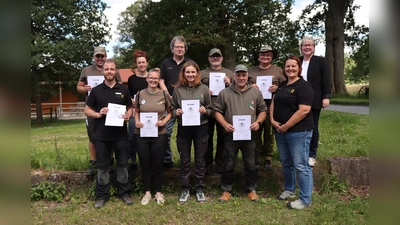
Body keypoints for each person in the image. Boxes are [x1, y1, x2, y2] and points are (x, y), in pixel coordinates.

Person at [214, 64, 267, 203]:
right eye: (238, 75)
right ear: (234, 76)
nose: (241, 78)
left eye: (244, 75)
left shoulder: (255, 92)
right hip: (231, 134)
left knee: (251, 162)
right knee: (228, 162)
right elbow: (217, 111)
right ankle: (226, 190)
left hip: (249, 135)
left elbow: (263, 110)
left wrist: (258, 122)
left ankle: (251, 189)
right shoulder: (224, 93)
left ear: (247, 76)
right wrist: (225, 124)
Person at [84, 59, 133, 208]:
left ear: (116, 71)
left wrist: (128, 115)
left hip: (120, 136)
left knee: (123, 165)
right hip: (102, 136)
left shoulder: (124, 90)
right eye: (107, 69)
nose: (109, 72)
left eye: (112, 69)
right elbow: (87, 110)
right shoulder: (96, 90)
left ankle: (124, 193)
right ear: (103, 71)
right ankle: (102, 195)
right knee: (102, 167)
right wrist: (98, 114)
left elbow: (130, 107)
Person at [270, 55, 314, 210]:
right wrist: (272, 121)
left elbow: (304, 110)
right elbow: (274, 102)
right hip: (280, 131)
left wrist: (286, 126)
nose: (290, 69)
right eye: (287, 66)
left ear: (299, 68)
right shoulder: (282, 85)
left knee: (301, 165)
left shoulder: (304, 86)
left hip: (298, 132)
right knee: (286, 163)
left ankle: (305, 199)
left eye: (293, 66)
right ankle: (289, 190)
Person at [77, 46, 122, 176]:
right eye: (98, 56)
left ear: (105, 57)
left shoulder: (114, 70)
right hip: (93, 108)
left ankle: (110, 162)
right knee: (93, 137)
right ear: (94, 57)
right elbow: (79, 87)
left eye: (102, 56)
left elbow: (119, 86)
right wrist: (85, 88)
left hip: (112, 108)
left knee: (112, 135)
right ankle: (93, 163)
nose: (100, 58)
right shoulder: (86, 70)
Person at [171, 61, 212, 204]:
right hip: (184, 127)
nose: (190, 74)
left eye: (193, 72)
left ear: (197, 73)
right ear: (183, 74)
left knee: (200, 159)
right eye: (187, 72)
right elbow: (172, 108)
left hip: (201, 127)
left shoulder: (204, 89)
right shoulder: (177, 90)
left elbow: (210, 109)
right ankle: (185, 189)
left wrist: (205, 110)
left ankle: (200, 188)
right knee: (185, 159)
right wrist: (176, 112)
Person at [134, 68, 172, 205]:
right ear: (147, 79)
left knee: (158, 165)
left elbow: (170, 112)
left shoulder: (164, 94)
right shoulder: (140, 94)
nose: (153, 80)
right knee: (145, 165)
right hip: (142, 134)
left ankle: (159, 193)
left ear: (158, 80)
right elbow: (136, 111)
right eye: (151, 78)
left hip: (159, 134)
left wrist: (164, 121)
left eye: (156, 78)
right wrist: (137, 121)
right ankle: (147, 193)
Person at [248, 45, 286, 170]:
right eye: (262, 54)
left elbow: (287, 87)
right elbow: (242, 85)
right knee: (256, 132)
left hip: (272, 107)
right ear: (258, 57)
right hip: (254, 108)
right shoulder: (251, 71)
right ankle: (257, 156)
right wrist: (250, 86)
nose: (265, 57)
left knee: (269, 133)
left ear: (272, 57)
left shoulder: (278, 71)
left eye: (268, 55)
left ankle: (268, 157)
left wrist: (277, 88)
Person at [159, 36, 193, 169]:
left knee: (187, 135)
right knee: (165, 132)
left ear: (185, 49)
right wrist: (168, 94)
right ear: (172, 49)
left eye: (182, 47)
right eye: (177, 47)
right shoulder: (165, 63)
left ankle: (187, 162)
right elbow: (161, 81)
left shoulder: (190, 62)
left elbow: (194, 80)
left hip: (187, 104)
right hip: (170, 104)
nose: (179, 49)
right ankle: (167, 159)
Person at [299, 36, 331, 167]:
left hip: (315, 99)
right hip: (298, 99)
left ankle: (311, 155)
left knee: (313, 127)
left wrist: (326, 96)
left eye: (309, 45)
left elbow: (326, 79)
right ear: (301, 48)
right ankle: (300, 153)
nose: (307, 47)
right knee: (298, 127)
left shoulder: (320, 61)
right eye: (304, 45)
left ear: (313, 47)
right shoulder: (297, 61)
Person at [200, 48, 233, 173]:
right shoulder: (202, 73)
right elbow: (196, 89)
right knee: (206, 137)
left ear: (222, 58)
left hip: (224, 109)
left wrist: (229, 84)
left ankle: (220, 163)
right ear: (209, 58)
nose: (215, 58)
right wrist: (204, 91)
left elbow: (237, 89)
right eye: (213, 56)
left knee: (222, 137)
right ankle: (207, 163)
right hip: (206, 110)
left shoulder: (229, 73)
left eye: (217, 56)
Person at [127, 50, 150, 172]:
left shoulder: (152, 78)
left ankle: (147, 162)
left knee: (148, 138)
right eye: (139, 62)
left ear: (147, 63)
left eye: (143, 62)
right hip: (135, 112)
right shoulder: (131, 79)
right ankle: (133, 161)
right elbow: (129, 95)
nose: (141, 64)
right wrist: (131, 100)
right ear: (136, 64)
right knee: (132, 136)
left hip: (150, 113)